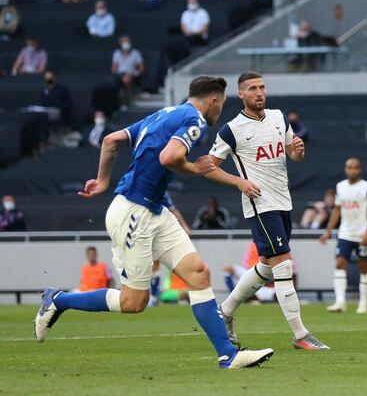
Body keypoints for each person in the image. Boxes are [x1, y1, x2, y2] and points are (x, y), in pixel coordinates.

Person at [34, 75, 274, 369]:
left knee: (199, 273)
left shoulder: (163, 115)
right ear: (213, 100)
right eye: (221, 105)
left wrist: (102, 180)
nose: (219, 112)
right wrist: (194, 168)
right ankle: (59, 299)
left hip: (155, 209)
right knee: (133, 303)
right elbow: (169, 157)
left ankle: (228, 355)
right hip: (133, 212)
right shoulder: (194, 119)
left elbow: (111, 141)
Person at [205, 71, 329, 351]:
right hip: (260, 204)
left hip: (283, 201)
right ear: (242, 95)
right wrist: (239, 182)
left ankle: (224, 312)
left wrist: (298, 150)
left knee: (266, 267)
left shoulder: (278, 117)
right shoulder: (232, 129)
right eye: (252, 89)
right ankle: (300, 334)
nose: (259, 92)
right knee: (283, 264)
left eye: (262, 87)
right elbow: (207, 165)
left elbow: (293, 154)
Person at [320, 158, 367, 314]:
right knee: (340, 263)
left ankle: (363, 304)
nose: (352, 170)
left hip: (362, 234)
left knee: (364, 267)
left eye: (355, 168)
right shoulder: (340, 187)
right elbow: (337, 210)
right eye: (349, 167)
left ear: (359, 169)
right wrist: (328, 231)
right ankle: (340, 302)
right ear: (346, 169)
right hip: (345, 233)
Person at [112, 35, 145, 107]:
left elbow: (141, 67)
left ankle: (126, 98)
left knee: (127, 79)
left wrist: (135, 73)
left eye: (127, 41)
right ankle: (127, 97)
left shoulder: (136, 53)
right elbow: (114, 69)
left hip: (132, 74)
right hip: (120, 74)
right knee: (125, 79)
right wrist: (120, 76)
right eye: (124, 41)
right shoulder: (116, 53)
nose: (126, 43)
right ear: (120, 43)